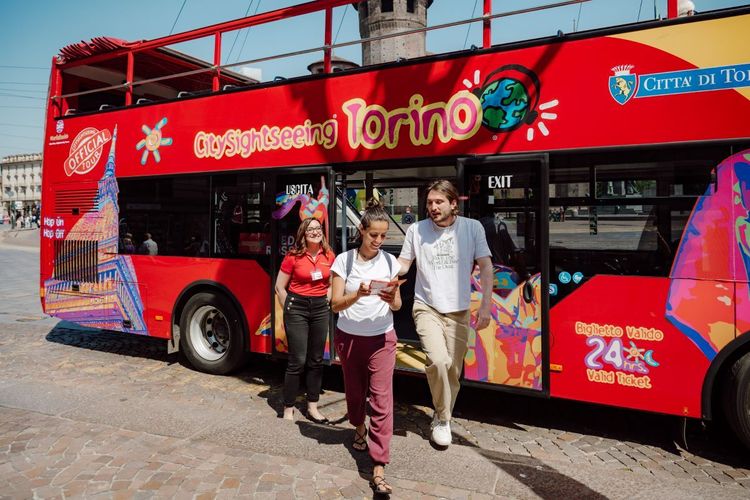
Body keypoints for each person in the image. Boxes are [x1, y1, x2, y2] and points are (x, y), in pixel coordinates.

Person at [397, 179, 493, 448]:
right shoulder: (416, 230)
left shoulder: (472, 228)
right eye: (429, 202)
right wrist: (378, 266)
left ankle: (441, 415)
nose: (433, 207)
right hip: (426, 306)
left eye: (439, 202)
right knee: (438, 361)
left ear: (453, 203)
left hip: (459, 311)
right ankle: (443, 419)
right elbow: (404, 264)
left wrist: (485, 305)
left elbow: (486, 266)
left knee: (452, 370)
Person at [330, 199, 402, 495]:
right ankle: (358, 427)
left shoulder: (390, 262)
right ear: (361, 230)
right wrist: (357, 295)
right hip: (349, 337)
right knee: (355, 394)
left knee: (382, 401)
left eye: (383, 235)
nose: (379, 240)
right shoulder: (343, 261)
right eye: (374, 234)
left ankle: (379, 466)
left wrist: (392, 298)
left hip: (382, 338)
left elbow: (397, 305)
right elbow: (335, 304)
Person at [274, 217, 335, 423]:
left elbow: (332, 283)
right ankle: (288, 408)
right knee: (297, 360)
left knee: (316, 360)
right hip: (297, 307)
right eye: (310, 230)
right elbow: (279, 286)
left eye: (318, 228)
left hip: (320, 308)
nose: (315, 232)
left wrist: (327, 299)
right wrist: (289, 308)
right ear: (303, 234)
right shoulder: (293, 256)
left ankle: (312, 408)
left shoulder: (329, 255)